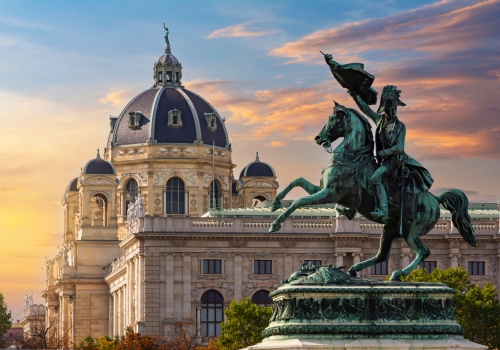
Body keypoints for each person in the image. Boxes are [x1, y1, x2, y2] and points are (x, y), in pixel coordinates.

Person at [347, 84, 433, 222]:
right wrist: (354, 93)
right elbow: (366, 109)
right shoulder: (380, 120)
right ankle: (352, 208)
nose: (393, 111)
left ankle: (384, 210)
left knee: (375, 178)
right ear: (385, 108)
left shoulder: (400, 126)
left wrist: (384, 152)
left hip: (395, 162)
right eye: (390, 108)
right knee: (361, 173)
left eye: (394, 108)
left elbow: (399, 147)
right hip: (382, 161)